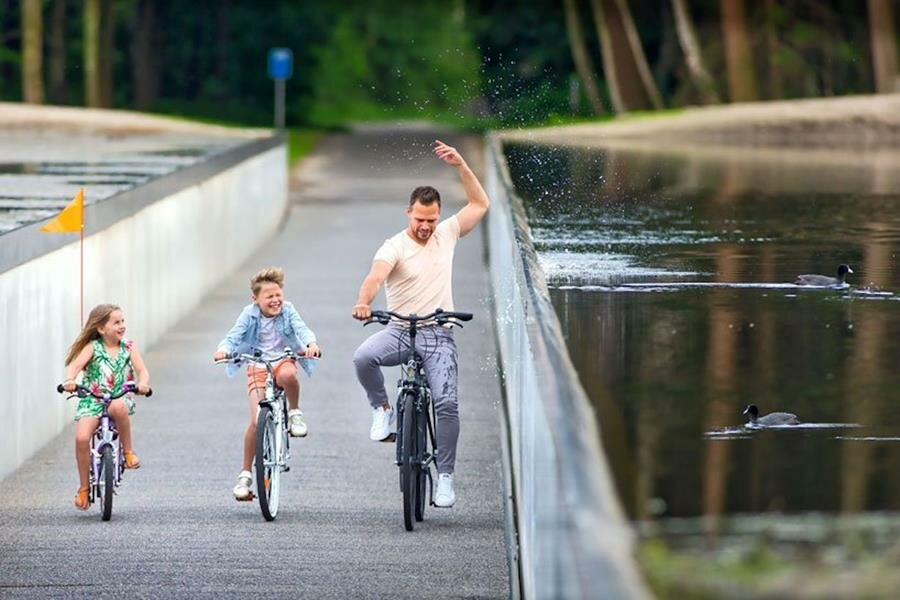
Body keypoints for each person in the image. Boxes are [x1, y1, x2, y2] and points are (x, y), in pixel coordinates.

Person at [351, 139, 490, 508]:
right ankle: (382, 411)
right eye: (419, 220)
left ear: (439, 215)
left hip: (438, 335)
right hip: (399, 330)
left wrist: (461, 165)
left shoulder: (447, 233)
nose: (426, 227)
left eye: (431, 220)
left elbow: (480, 204)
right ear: (407, 213)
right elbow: (375, 277)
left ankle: (445, 477)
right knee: (363, 357)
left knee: (446, 403)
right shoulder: (393, 246)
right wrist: (364, 303)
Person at [213, 267, 321, 501]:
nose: (275, 300)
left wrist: (310, 344)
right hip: (257, 364)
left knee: (288, 376)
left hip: (283, 359)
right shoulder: (248, 314)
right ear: (255, 299)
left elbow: (302, 329)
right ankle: (245, 475)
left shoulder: (288, 310)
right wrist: (223, 350)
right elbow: (234, 336)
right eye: (269, 296)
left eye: (278, 295)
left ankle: (294, 412)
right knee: (254, 421)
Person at [63, 304, 151, 510]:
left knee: (119, 407)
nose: (122, 326)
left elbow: (142, 371)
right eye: (116, 322)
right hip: (93, 399)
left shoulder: (129, 347)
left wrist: (143, 384)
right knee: (82, 438)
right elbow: (74, 367)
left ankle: (128, 452)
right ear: (101, 329)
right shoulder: (92, 347)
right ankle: (84, 487)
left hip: (118, 395)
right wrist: (70, 380)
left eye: (123, 321)